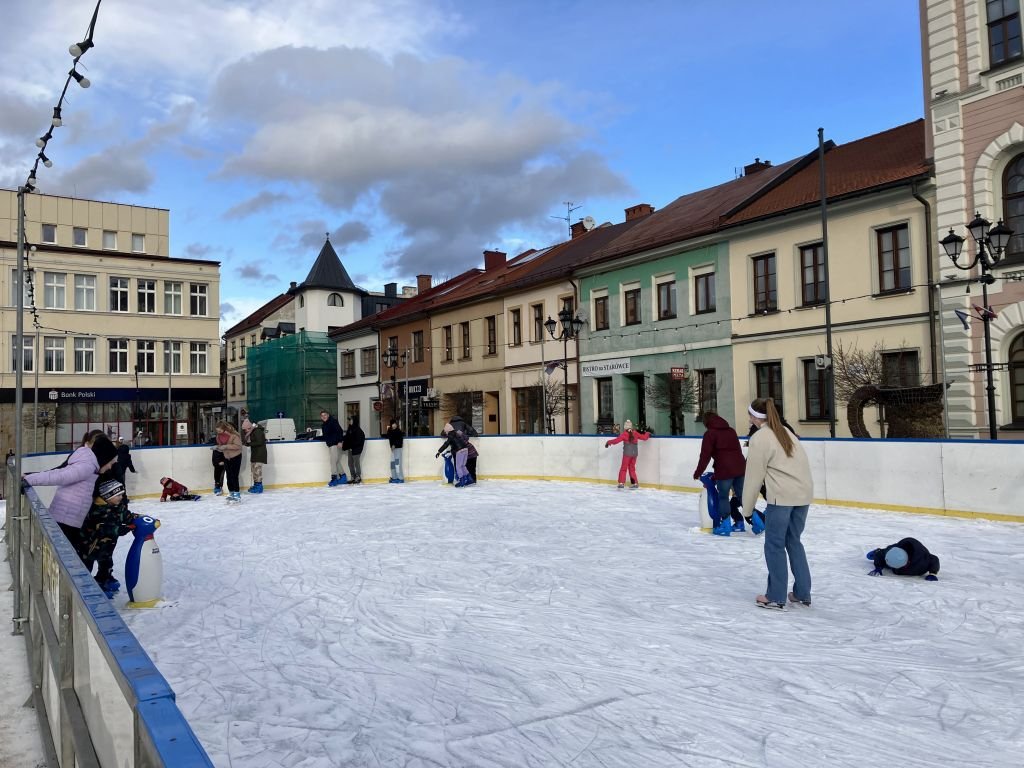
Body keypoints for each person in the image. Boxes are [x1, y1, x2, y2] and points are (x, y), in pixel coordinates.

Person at [742, 398, 814, 610]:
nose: (749, 418)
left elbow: (753, 478)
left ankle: (775, 596)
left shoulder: (760, 438)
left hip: (782, 498)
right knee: (794, 541)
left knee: (774, 545)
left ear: (756, 417)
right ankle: (802, 593)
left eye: (750, 415)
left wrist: (747, 510)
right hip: (803, 496)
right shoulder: (786, 432)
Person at [23, 435, 119, 560]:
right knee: (64, 561)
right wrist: (28, 479)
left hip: (68, 520)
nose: (110, 467)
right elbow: (59, 476)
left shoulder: (90, 467)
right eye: (110, 462)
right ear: (104, 457)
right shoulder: (87, 467)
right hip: (65, 521)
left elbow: (58, 472)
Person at [693, 410, 748, 535]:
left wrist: (698, 473)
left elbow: (705, 456)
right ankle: (749, 522)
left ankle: (726, 526)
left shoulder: (710, 434)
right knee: (742, 496)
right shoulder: (731, 431)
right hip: (740, 467)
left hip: (724, 469)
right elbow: (737, 451)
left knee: (723, 497)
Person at [79, 478, 135, 597]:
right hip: (91, 545)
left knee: (107, 562)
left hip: (107, 545)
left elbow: (127, 516)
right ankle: (84, 586)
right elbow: (103, 528)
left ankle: (104, 579)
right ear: (107, 496)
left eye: (122, 494)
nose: (121, 497)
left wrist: (139, 519)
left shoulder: (119, 507)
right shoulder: (97, 510)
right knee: (87, 564)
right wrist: (119, 529)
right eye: (117, 495)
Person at [604, 419, 650, 489]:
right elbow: (644, 438)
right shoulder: (636, 433)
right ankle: (634, 483)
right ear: (631, 427)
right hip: (634, 454)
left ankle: (621, 483)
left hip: (627, 454)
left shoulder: (624, 434)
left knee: (623, 468)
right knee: (632, 469)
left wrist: (608, 442)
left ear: (625, 427)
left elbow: (616, 441)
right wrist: (647, 433)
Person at [868, 538, 940, 580]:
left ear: (907, 563)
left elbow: (934, 559)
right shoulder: (892, 551)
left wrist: (932, 573)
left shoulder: (922, 561)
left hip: (915, 556)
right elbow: (881, 555)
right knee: (883, 556)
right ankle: (877, 551)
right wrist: (878, 567)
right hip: (897, 549)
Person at [213, 421, 244, 503]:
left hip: (236, 457)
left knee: (234, 476)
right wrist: (217, 447)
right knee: (229, 476)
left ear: (224, 429)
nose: (218, 432)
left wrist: (226, 446)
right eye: (217, 431)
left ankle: (237, 494)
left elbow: (238, 446)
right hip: (226, 457)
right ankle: (231, 493)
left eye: (219, 431)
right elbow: (221, 447)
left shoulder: (234, 435)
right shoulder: (218, 437)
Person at [320, 410, 346, 486]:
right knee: (336, 461)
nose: (323, 417)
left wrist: (340, 441)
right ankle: (343, 477)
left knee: (333, 461)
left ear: (328, 415)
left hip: (335, 444)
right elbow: (325, 436)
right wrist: (314, 438)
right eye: (322, 416)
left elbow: (340, 431)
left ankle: (334, 478)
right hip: (331, 445)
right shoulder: (324, 425)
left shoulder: (333, 421)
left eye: (325, 415)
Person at [242, 418, 268, 493]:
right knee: (254, 470)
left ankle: (259, 487)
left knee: (257, 471)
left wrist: (249, 444)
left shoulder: (257, 431)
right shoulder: (252, 431)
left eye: (245, 429)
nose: (245, 431)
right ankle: (256, 484)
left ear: (249, 427)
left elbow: (259, 442)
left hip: (259, 454)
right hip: (255, 453)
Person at [342, 415, 366, 484]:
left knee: (356, 463)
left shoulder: (358, 430)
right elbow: (347, 438)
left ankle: (358, 476)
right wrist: (343, 444)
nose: (349, 421)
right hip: (350, 449)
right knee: (350, 463)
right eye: (349, 420)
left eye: (351, 420)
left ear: (354, 420)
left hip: (356, 450)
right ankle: (353, 476)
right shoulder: (350, 429)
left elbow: (359, 440)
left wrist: (353, 446)